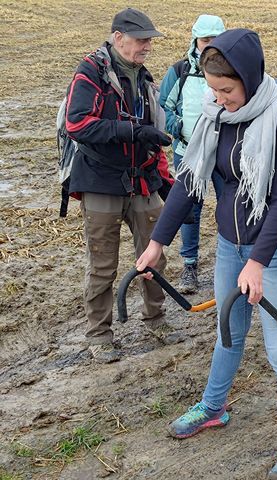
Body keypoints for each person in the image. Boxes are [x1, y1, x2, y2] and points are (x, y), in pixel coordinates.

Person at [136, 29, 277, 480]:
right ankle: (214, 407)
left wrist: (258, 261)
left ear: (251, 79)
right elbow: (188, 184)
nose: (219, 99)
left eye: (227, 90)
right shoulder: (215, 119)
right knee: (227, 334)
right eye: (213, 90)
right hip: (231, 246)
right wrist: (157, 243)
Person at [65, 8, 174, 363]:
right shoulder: (89, 73)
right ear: (118, 37)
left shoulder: (144, 79)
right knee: (102, 266)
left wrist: (163, 177)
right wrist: (131, 131)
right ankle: (100, 337)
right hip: (99, 182)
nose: (147, 46)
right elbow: (77, 125)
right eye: (141, 39)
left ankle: (156, 318)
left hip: (140, 181)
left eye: (149, 40)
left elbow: (152, 133)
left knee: (154, 255)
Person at [159, 14, 226, 293]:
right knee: (190, 210)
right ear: (195, 41)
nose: (210, 45)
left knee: (230, 206)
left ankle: (230, 261)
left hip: (225, 153)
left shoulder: (232, 71)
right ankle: (189, 267)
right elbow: (163, 105)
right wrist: (177, 127)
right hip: (188, 152)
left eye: (215, 40)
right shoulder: (179, 71)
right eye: (205, 40)